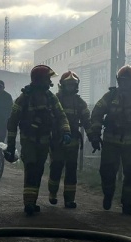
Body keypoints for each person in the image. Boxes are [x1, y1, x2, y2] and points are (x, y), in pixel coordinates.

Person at [5, 65, 71, 216]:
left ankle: (32, 201)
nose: (49, 81)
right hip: (29, 140)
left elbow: (61, 115)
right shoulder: (24, 98)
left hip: (44, 140)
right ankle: (29, 203)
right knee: (31, 167)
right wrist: (10, 144)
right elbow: (12, 122)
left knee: (39, 169)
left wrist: (66, 131)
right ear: (40, 79)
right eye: (47, 78)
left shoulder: (50, 97)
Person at [90, 65, 131, 215]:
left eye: (129, 81)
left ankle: (127, 205)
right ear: (119, 82)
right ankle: (108, 195)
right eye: (123, 81)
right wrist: (95, 134)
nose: (126, 84)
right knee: (107, 172)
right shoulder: (110, 96)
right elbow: (97, 113)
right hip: (110, 142)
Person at [48, 71, 93, 209]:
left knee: (71, 170)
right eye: (68, 85)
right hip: (57, 140)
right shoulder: (55, 100)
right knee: (56, 167)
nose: (70, 88)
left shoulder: (80, 103)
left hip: (73, 140)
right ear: (62, 85)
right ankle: (53, 193)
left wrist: (93, 137)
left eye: (73, 85)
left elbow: (87, 121)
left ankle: (69, 199)